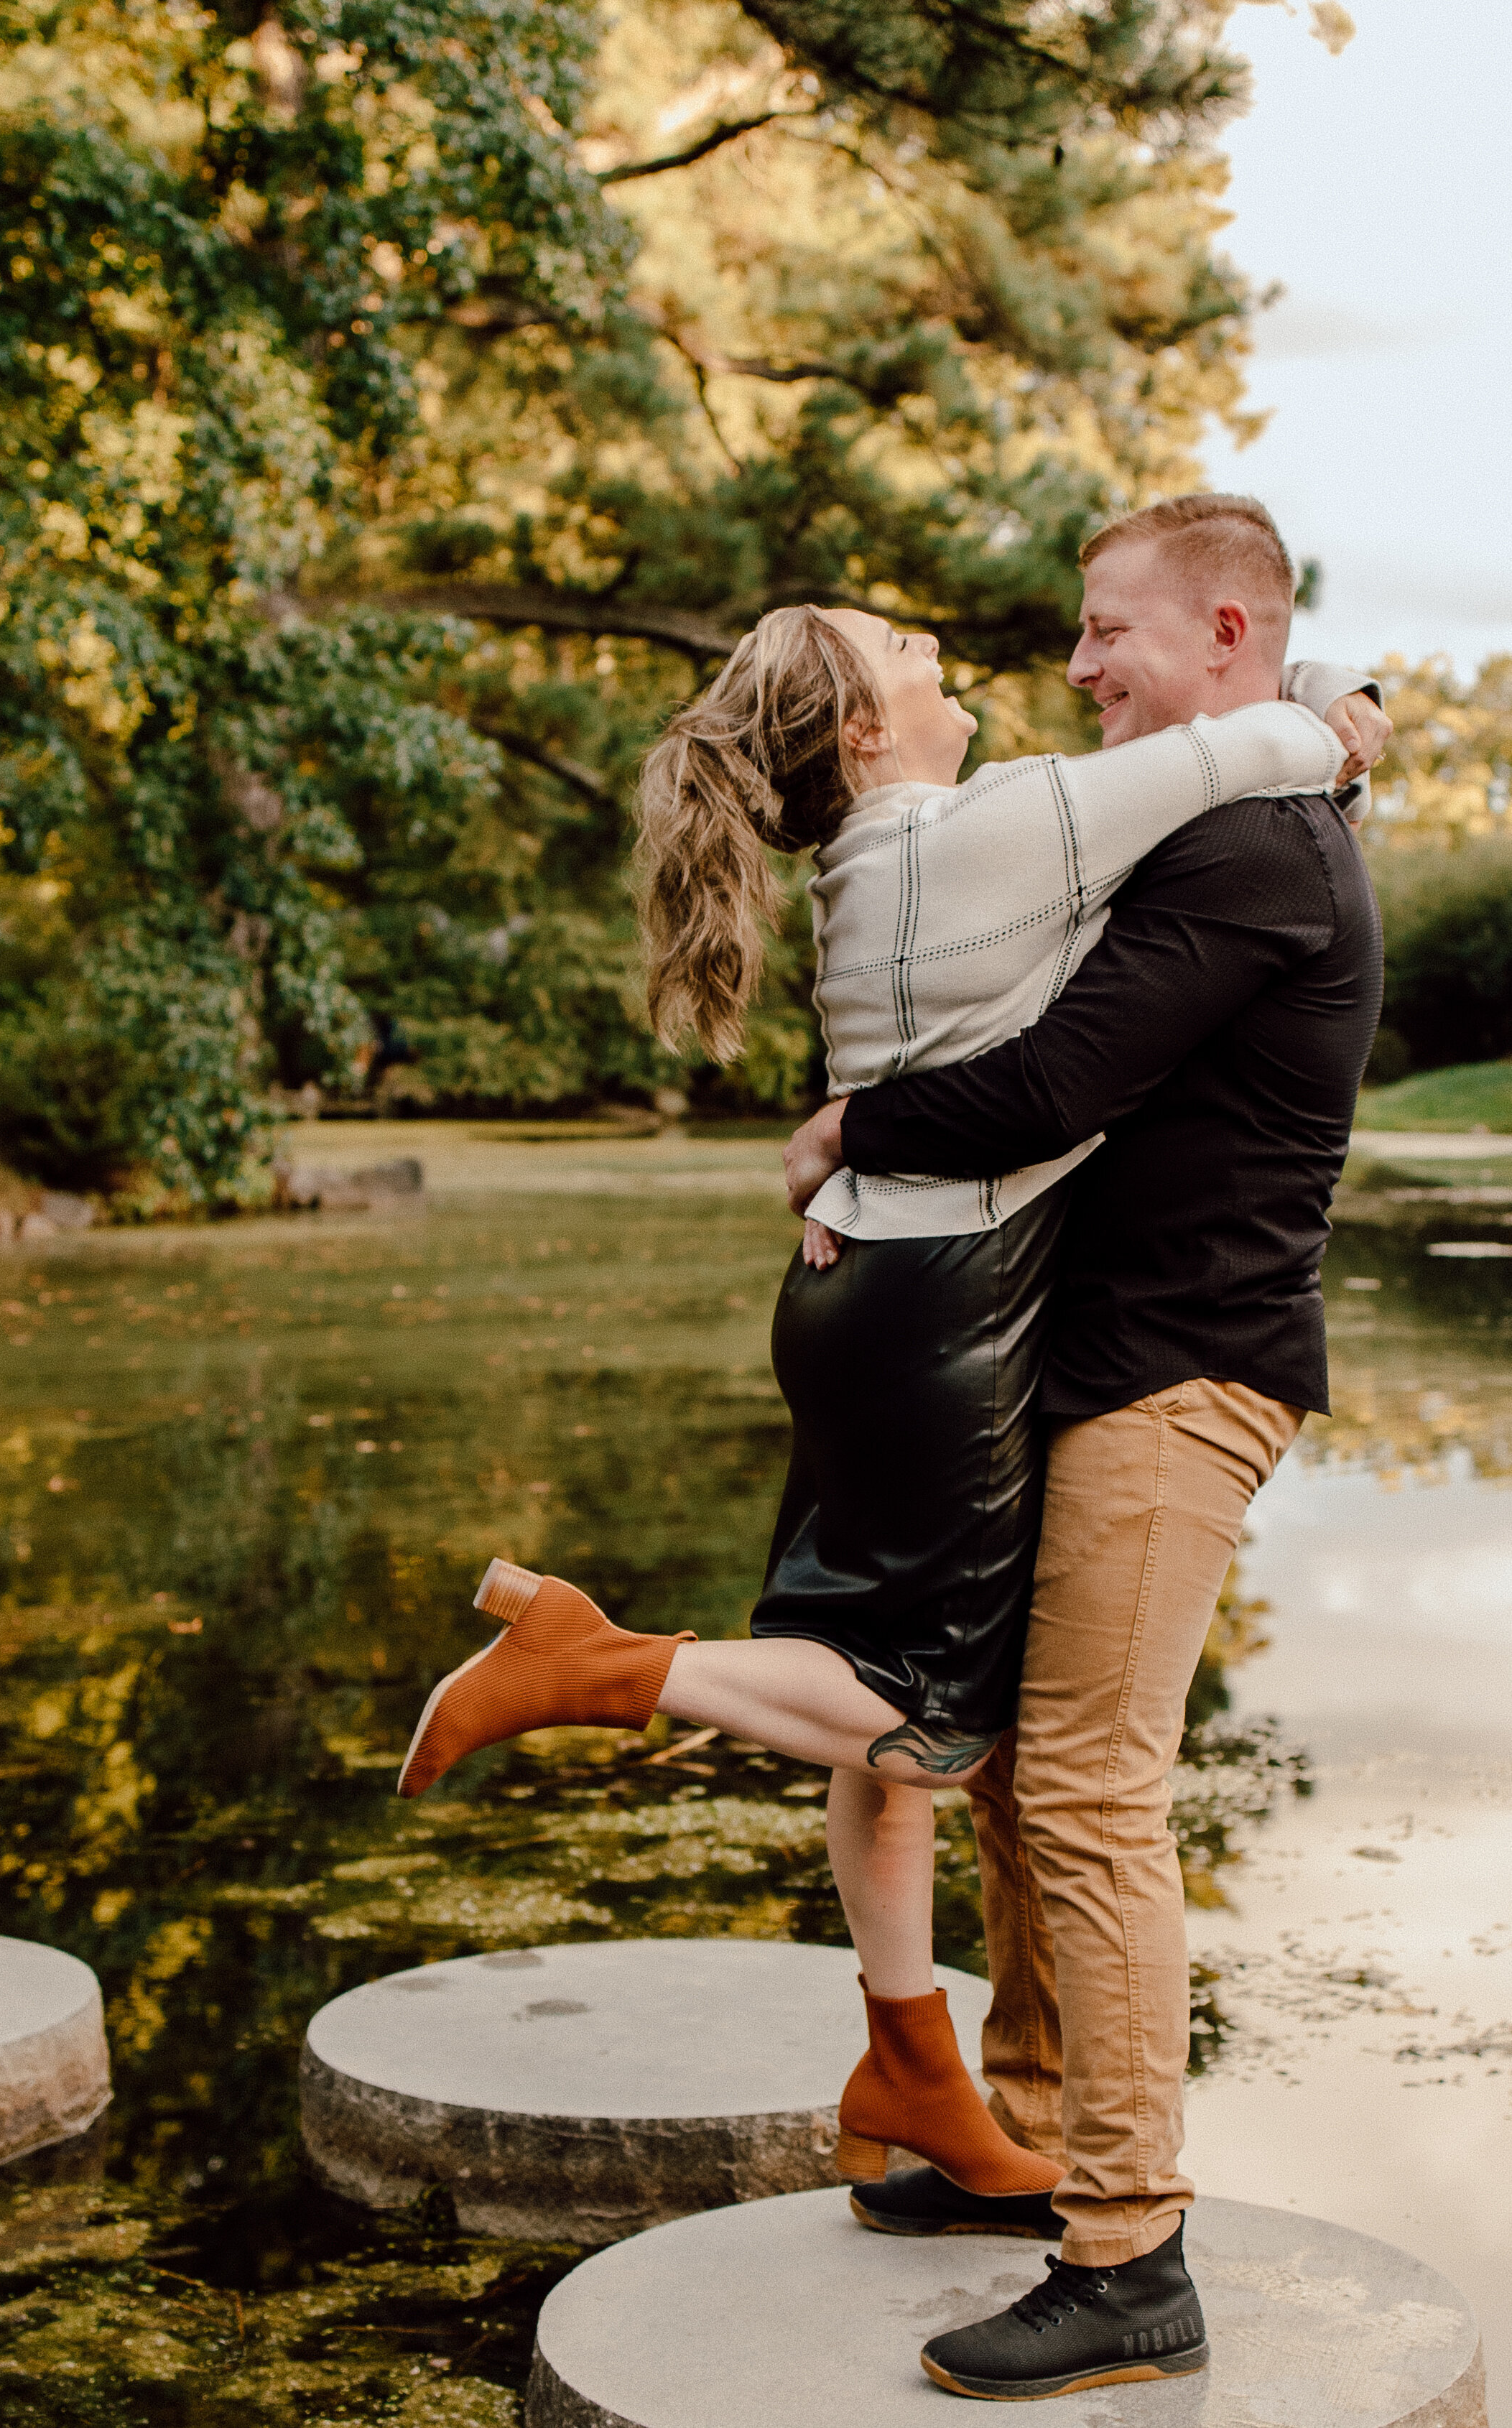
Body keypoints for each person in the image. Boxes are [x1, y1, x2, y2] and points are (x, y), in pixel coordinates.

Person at [394, 570, 1386, 2263]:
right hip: (946, 1318)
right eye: (905, 654)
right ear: (860, 729)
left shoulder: (900, 849)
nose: (971, 659)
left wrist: (844, 1129)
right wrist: (1351, 721)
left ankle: (916, 2060)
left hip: (865, 1298)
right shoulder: (988, 835)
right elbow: (1267, 748)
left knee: (907, 1716)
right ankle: (597, 1662)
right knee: (910, 1709)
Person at [781, 493, 1388, 2400]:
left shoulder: (1260, 849)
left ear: (1221, 640)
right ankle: (1025, 2121)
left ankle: (1125, 2255)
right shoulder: (1216, 805)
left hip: (1180, 1363)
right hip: (1085, 1355)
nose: (1071, 663)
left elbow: (1050, 1082)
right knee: (1010, 1769)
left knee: (1092, 1787)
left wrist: (845, 1127)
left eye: (1106, 630)